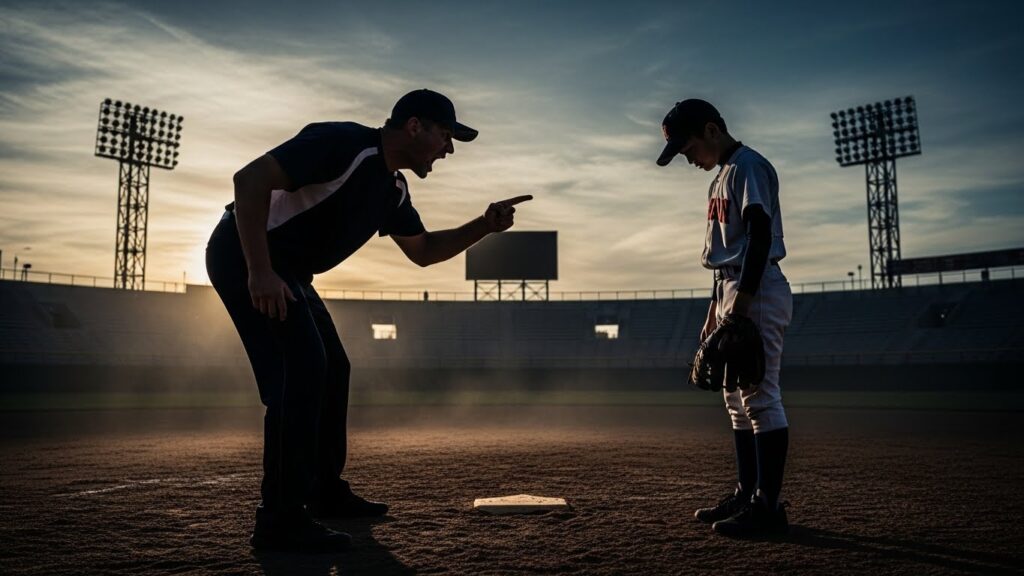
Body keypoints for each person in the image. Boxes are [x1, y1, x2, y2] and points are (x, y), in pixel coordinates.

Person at [206, 89, 532, 552]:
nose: (449, 149)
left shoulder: (393, 190)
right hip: (243, 253)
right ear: (414, 126)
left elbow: (423, 252)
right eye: (445, 135)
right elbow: (248, 181)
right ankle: (279, 519)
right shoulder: (343, 143)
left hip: (290, 272)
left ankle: (322, 492)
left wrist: (485, 225)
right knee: (299, 374)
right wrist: (258, 270)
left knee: (333, 369)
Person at [656, 99, 793, 537]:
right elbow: (726, 255)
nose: (688, 158)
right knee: (735, 398)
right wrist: (716, 308)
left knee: (760, 397)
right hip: (730, 287)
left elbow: (758, 233)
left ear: (712, 130)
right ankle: (747, 492)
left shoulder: (747, 166)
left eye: (689, 148)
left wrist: (743, 301)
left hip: (757, 287)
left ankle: (768, 508)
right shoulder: (721, 177)